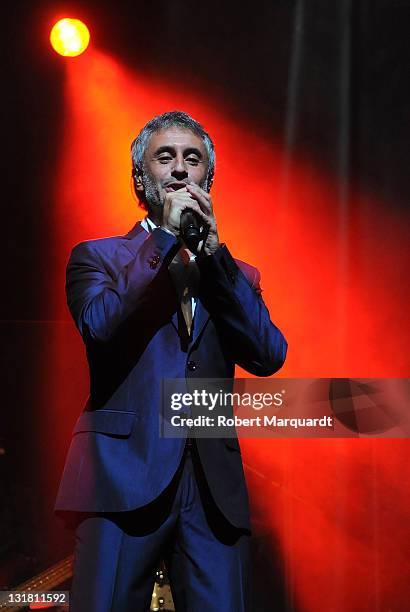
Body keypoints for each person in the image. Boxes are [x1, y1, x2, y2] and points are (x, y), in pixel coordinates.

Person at [55, 110, 287, 611]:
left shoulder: (235, 274)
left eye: (193, 159)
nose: (181, 169)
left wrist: (216, 259)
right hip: (121, 475)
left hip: (210, 491)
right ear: (142, 177)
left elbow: (269, 355)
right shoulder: (98, 257)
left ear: (209, 178)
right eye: (166, 157)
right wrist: (163, 240)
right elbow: (99, 324)